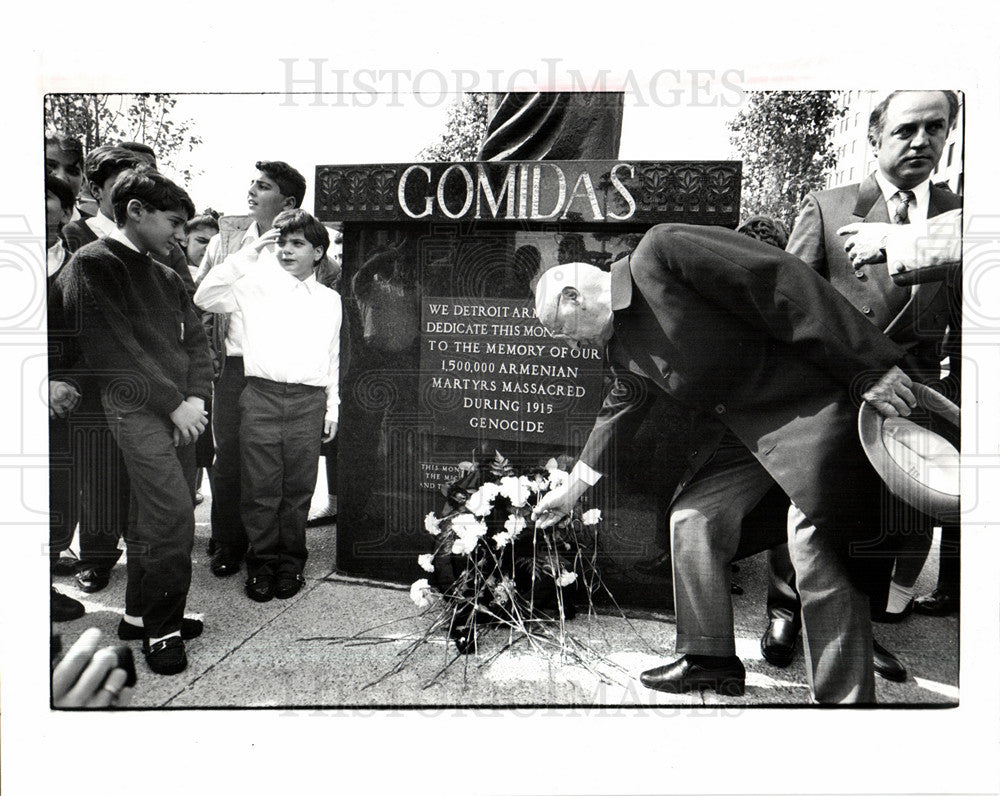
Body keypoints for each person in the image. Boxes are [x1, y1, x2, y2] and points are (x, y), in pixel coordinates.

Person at [530, 223, 917, 704]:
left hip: (815, 408)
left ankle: (843, 703)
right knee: (694, 519)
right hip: (749, 437)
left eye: (561, 332)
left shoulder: (663, 251)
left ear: (574, 297)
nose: (569, 345)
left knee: (815, 542)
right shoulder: (620, 343)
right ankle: (708, 660)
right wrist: (570, 491)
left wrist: (868, 364)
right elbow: (619, 411)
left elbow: (780, 281)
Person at [761, 90, 963, 675]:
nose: (921, 140)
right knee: (804, 494)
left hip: (913, 394)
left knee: (884, 510)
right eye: (905, 130)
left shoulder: (964, 214)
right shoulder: (830, 207)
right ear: (875, 138)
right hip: (830, 389)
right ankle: (784, 609)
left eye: (935, 127)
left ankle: (860, 627)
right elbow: (785, 305)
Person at [53, 166, 213, 675]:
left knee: (155, 518)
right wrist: (174, 403)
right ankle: (164, 632)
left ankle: (141, 616)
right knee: (171, 519)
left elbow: (197, 344)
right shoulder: (92, 264)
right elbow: (112, 350)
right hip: (134, 409)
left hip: (180, 413)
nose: (181, 235)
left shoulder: (168, 275)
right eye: (174, 222)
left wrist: (195, 398)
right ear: (136, 212)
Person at [194, 209, 341, 602]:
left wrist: (332, 408)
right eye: (281, 243)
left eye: (297, 244)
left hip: (308, 401)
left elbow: (333, 357)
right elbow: (204, 295)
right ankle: (261, 562)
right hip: (260, 395)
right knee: (260, 488)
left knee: (297, 488)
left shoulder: (330, 300)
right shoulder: (254, 286)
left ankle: (291, 562)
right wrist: (248, 253)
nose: (286, 251)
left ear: (318, 252)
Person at [194, 160, 307, 578]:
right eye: (253, 183)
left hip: (281, 370)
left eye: (264, 186)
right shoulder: (226, 240)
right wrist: (206, 358)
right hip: (234, 369)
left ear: (288, 201)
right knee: (228, 462)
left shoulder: (304, 241)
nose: (252, 190)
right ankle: (227, 541)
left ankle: (273, 549)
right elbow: (201, 300)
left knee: (274, 465)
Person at [45, 133, 87, 220]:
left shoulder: (94, 229)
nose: (60, 177)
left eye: (72, 171)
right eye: (50, 166)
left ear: (83, 182)